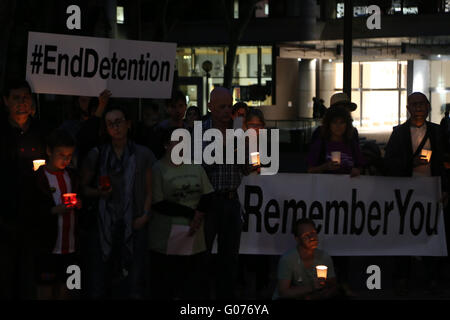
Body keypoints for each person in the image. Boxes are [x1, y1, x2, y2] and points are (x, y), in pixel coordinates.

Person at [80, 104, 155, 299]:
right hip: (104, 222)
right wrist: (99, 193)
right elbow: (83, 188)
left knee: (135, 281)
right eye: (110, 124)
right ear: (105, 128)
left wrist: (145, 216)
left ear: (128, 124)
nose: (116, 127)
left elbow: (150, 189)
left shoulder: (143, 154)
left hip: (134, 221)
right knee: (99, 280)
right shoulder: (97, 154)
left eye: (119, 122)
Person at [384, 91, 447, 296]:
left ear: (428, 107)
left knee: (432, 231)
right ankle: (402, 276)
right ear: (408, 108)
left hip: (432, 189)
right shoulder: (399, 133)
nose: (418, 108)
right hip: (406, 191)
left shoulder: (439, 132)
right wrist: (409, 164)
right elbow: (388, 163)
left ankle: (432, 276)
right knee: (405, 232)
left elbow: (446, 162)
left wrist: (446, 187)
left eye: (422, 104)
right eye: (414, 104)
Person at [148, 128, 214, 300]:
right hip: (166, 239)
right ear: (166, 145)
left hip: (194, 238)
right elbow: (158, 202)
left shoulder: (195, 166)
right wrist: (191, 214)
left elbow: (208, 194)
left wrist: (198, 215)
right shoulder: (158, 169)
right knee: (167, 285)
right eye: (176, 141)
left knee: (193, 286)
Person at [306, 105, 363, 297]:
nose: (338, 127)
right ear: (328, 125)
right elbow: (310, 170)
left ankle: (342, 281)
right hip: (325, 201)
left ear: (347, 125)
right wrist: (325, 166)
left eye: (342, 123)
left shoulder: (351, 144)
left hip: (345, 202)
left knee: (343, 241)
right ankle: (323, 282)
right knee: (325, 242)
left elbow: (360, 166)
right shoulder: (321, 144)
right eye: (335, 123)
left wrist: (356, 170)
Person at [21, 129, 82, 300]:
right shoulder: (37, 178)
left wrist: (79, 204)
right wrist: (54, 210)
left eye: (69, 155)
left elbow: (81, 197)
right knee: (45, 291)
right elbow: (29, 211)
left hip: (72, 248)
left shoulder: (73, 176)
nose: (66, 159)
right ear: (49, 151)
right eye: (61, 154)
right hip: (47, 249)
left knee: (70, 288)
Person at [0, 79, 48, 299]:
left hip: (33, 214)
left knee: (28, 274)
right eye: (16, 98)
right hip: (5, 216)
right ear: (6, 102)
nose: (21, 102)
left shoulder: (42, 130)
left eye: (25, 97)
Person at [202, 87, 245, 299]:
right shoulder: (200, 132)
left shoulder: (238, 131)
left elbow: (245, 168)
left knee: (230, 258)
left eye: (230, 105)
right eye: (222, 107)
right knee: (204, 254)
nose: (227, 111)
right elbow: (199, 169)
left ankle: (226, 299)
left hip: (231, 199)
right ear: (210, 107)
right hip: (209, 202)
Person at [273, 218, 338, 300]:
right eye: (305, 235)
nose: (312, 237)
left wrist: (324, 292)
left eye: (313, 233)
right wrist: (312, 287)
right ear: (297, 239)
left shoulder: (324, 257)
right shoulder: (288, 259)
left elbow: (333, 285)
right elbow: (283, 292)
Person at [150, 90, 188, 159]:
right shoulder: (159, 130)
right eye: (173, 106)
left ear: (185, 107)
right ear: (167, 108)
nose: (178, 110)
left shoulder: (190, 130)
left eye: (180, 106)